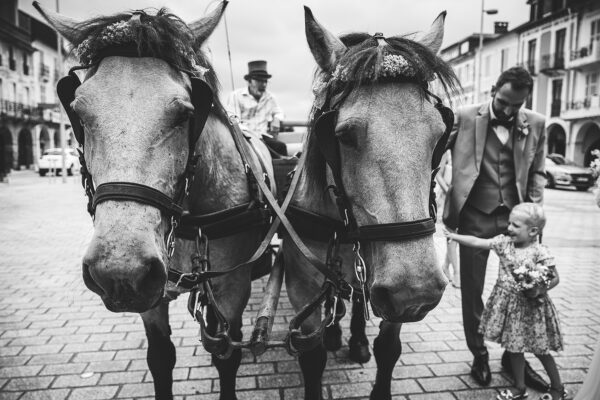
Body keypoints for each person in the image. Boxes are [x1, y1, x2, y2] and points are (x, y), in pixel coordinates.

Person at [443, 66, 549, 389]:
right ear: (493, 89)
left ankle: (513, 354)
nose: (508, 110)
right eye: (503, 102)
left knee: (521, 291)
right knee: (473, 292)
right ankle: (479, 354)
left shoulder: (536, 124)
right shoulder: (463, 117)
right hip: (474, 216)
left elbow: (538, 173)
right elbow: (434, 152)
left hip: (515, 222)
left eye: (515, 106)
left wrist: (534, 212)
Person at [444, 203, 566, 400]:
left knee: (541, 350)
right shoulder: (504, 243)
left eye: (515, 225)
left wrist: (537, 290)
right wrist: (454, 237)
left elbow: (554, 278)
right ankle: (519, 387)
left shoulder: (540, 252)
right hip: (509, 308)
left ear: (533, 231)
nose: (509, 228)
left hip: (532, 309)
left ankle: (558, 388)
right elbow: (477, 242)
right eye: (509, 223)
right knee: (513, 348)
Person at [226, 60, 288, 158]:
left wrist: (276, 119)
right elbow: (233, 119)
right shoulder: (236, 96)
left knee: (280, 147)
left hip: (263, 139)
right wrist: (251, 135)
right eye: (259, 81)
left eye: (265, 81)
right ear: (249, 81)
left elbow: (279, 112)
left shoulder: (270, 97)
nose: (263, 85)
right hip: (244, 138)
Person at [435, 151, 460, 287]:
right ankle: (456, 272)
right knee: (452, 234)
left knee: (457, 234)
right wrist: (449, 192)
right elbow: (438, 174)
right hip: (449, 196)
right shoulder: (448, 152)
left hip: (463, 197)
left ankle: (445, 265)